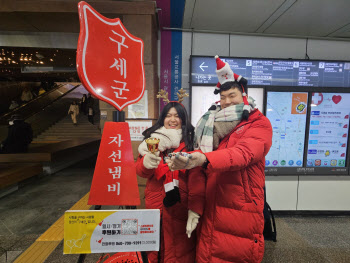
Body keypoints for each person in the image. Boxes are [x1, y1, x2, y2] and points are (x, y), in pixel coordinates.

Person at [166, 56, 273, 263]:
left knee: (233, 253)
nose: (226, 102)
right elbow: (200, 170)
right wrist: (195, 206)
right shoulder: (210, 124)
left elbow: (243, 154)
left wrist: (203, 158)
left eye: (231, 95)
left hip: (239, 207)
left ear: (243, 94)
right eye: (223, 97)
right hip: (211, 204)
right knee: (208, 253)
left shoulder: (258, 124)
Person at [135, 96, 206, 263]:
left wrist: (195, 208)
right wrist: (146, 163)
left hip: (181, 205)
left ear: (183, 119)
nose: (172, 120)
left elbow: (197, 178)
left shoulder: (191, 141)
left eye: (177, 116)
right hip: (156, 205)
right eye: (168, 115)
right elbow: (140, 171)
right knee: (155, 249)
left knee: (180, 249)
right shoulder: (152, 141)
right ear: (163, 118)